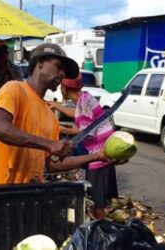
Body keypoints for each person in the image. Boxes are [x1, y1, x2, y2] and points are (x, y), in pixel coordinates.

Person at [0, 43, 115, 185]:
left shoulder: (50, 116)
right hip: (1, 189)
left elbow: (52, 165)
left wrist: (97, 156)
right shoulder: (14, 89)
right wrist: (49, 144)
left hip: (32, 191)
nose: (63, 74)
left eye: (64, 71)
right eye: (58, 66)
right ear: (40, 63)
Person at [48, 76, 118, 219]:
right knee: (97, 199)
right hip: (100, 151)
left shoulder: (84, 101)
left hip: (99, 155)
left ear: (65, 89)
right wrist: (56, 106)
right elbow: (77, 115)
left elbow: (84, 132)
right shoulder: (83, 98)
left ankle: (100, 231)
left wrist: (60, 129)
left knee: (96, 202)